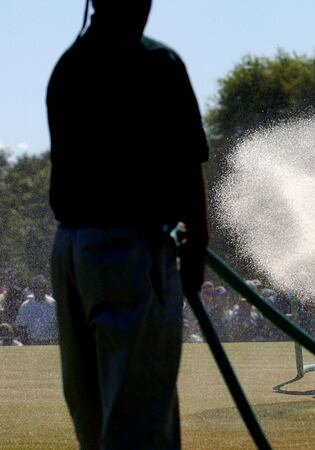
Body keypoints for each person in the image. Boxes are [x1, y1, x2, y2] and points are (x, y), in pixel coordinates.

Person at [47, 0, 209, 447]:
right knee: (140, 425)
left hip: (71, 252)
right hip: (131, 252)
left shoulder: (69, 65)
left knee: (94, 421)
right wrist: (195, 252)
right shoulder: (157, 62)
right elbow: (187, 169)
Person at [14, 275, 58, 345]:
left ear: (46, 289)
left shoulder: (53, 304)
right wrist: (26, 342)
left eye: (42, 287)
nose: (40, 290)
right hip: (33, 342)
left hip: (51, 341)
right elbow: (21, 326)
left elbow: (58, 323)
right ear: (33, 289)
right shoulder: (26, 305)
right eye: (37, 287)